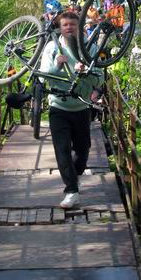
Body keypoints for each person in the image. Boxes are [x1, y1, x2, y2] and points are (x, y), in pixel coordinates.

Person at [39, 11, 104, 209]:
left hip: (81, 107)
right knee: (62, 150)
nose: (69, 28)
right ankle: (71, 191)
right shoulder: (52, 48)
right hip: (58, 106)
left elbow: (100, 78)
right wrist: (57, 67)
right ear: (60, 27)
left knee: (83, 151)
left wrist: (87, 73)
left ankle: (74, 177)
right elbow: (43, 77)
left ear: (80, 27)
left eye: (73, 25)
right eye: (65, 25)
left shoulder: (89, 47)